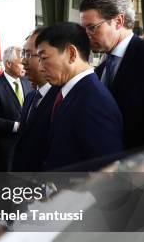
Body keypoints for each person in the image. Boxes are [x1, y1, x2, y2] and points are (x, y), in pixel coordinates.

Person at [80, 0, 144, 151]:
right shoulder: (100, 68)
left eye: (92, 28)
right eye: (84, 29)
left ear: (118, 21)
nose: (87, 35)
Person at [36, 22, 123, 171]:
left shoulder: (94, 102)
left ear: (71, 53)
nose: (40, 67)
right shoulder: (67, 91)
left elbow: (108, 173)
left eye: (44, 58)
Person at [12, 27, 60, 172]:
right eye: (22, 54)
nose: (22, 61)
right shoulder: (31, 97)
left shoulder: (61, 99)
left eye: (27, 54)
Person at [0, 46, 32, 171]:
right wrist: (15, 126)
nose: (24, 65)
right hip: (6, 152)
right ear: (8, 64)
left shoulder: (28, 83)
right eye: (21, 63)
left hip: (27, 148)